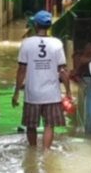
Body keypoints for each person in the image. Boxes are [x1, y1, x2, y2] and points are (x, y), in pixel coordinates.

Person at [12, 10, 71, 149]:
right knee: (49, 125)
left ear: (35, 25)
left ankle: (32, 152)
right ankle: (46, 154)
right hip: (52, 94)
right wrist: (68, 91)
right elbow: (62, 71)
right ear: (49, 26)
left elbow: (21, 70)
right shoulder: (57, 43)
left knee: (31, 126)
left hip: (32, 94)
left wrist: (16, 93)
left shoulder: (26, 43)